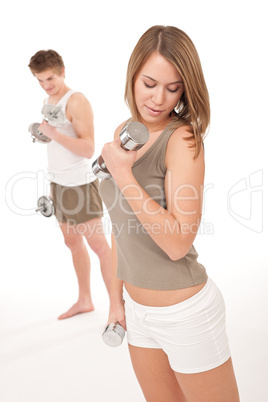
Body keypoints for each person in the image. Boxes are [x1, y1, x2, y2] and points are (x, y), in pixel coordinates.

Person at [99, 26, 240, 401]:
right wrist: (116, 300)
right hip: (138, 312)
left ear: (184, 89)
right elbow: (121, 228)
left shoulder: (182, 139)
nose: (159, 98)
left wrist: (124, 173)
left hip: (186, 313)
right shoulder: (126, 133)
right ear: (132, 76)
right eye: (149, 83)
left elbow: (178, 243)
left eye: (173, 88)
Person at [28, 50, 112, 320]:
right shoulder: (49, 98)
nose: (46, 85)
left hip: (80, 185)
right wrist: (45, 136)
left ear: (63, 70)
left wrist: (52, 132)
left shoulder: (76, 101)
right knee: (72, 242)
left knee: (99, 246)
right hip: (59, 184)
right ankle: (85, 300)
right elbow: (61, 138)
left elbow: (88, 149)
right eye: (39, 80)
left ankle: (119, 306)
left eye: (50, 78)